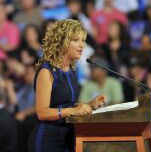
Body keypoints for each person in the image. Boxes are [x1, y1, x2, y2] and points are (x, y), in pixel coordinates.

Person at [28, 19, 106, 152]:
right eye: (76, 40)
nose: (82, 45)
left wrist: (89, 105)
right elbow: (42, 112)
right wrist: (73, 110)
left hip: (67, 139)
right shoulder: (46, 72)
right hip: (47, 141)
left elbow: (66, 105)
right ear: (62, 41)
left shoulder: (71, 71)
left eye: (83, 40)